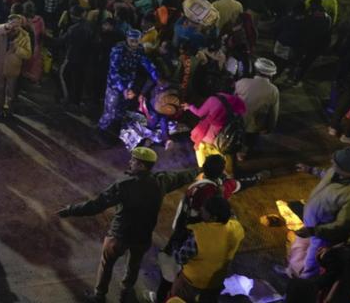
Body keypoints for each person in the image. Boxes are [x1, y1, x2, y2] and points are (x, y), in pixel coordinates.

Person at [57, 147, 199, 303]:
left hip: (119, 235)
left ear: (142, 166)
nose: (130, 162)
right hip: (142, 237)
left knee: (106, 264)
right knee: (133, 266)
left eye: (134, 161)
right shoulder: (161, 181)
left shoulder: (124, 185)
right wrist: (202, 170)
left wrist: (70, 210)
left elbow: (96, 205)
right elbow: (182, 176)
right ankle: (126, 292)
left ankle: (100, 295)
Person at [282, 148, 350, 279]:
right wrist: (310, 169)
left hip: (323, 235)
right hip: (310, 226)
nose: (331, 161)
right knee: (298, 249)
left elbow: (343, 225)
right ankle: (290, 271)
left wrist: (314, 231)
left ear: (346, 169)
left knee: (311, 262)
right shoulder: (337, 172)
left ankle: (304, 285)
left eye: (335, 161)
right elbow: (326, 174)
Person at [170, 197, 245, 302]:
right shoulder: (236, 228)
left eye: (205, 210)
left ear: (213, 218)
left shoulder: (199, 235)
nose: (201, 209)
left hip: (191, 283)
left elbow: (179, 258)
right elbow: (233, 217)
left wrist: (175, 242)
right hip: (215, 283)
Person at [98, 29, 159, 131]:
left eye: (137, 41)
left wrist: (157, 77)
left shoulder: (139, 49)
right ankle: (101, 129)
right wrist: (123, 89)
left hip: (129, 84)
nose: (134, 44)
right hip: (115, 85)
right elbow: (114, 72)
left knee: (122, 109)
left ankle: (114, 129)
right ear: (127, 39)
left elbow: (147, 63)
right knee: (110, 110)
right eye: (132, 41)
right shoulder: (118, 50)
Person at [0, 15, 32, 122]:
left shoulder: (25, 37)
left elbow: (28, 54)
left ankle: (9, 112)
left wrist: (17, 49)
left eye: (18, 25)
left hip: (13, 69)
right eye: (13, 24)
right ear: (8, 23)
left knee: (10, 93)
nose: (15, 27)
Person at [234, 58, 280, 158]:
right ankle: (242, 154)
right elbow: (273, 114)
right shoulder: (274, 90)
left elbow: (232, 100)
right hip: (255, 125)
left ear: (255, 70)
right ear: (271, 75)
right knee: (249, 141)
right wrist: (270, 128)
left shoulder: (242, 82)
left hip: (237, 121)